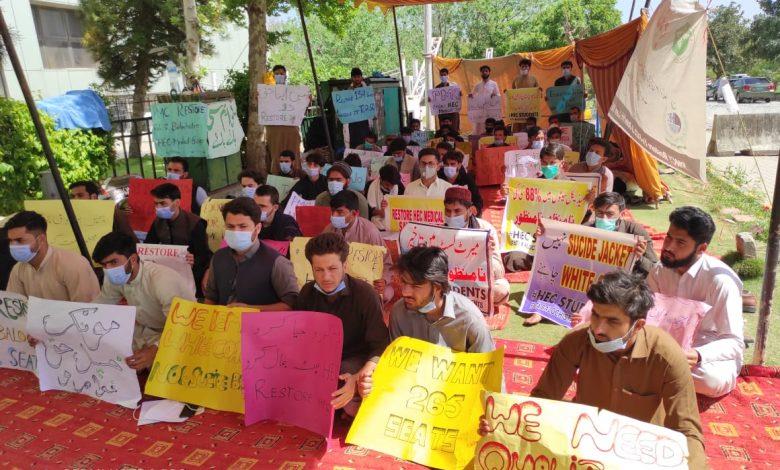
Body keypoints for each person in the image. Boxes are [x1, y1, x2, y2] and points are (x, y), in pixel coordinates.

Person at [479, 271, 706, 469]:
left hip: (641, 455)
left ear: (637, 326)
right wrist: (503, 426)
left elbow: (688, 432)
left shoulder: (667, 356)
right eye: (596, 315)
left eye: (612, 321)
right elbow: (542, 402)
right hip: (583, 447)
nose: (598, 328)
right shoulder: (577, 341)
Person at [647, 206, 744, 398]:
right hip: (666, 342)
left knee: (711, 380)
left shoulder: (720, 281)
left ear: (701, 248)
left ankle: (656, 374)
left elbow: (734, 342)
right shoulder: (659, 271)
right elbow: (647, 313)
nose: (668, 247)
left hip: (704, 348)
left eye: (680, 242)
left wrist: (697, 355)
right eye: (668, 237)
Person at [295, 232, 389, 415]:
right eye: (319, 270)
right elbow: (299, 339)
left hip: (354, 363)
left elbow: (380, 346)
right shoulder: (307, 293)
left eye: (332, 268)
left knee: (352, 407)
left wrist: (359, 376)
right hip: (319, 363)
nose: (326, 277)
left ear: (345, 265)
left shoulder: (365, 294)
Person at [92, 232, 195, 370]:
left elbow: (183, 327)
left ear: (133, 259)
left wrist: (155, 350)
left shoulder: (161, 280)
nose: (108, 269)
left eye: (113, 262)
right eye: (104, 265)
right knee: (107, 349)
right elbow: (100, 307)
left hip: (183, 333)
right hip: (146, 331)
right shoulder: (114, 278)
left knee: (167, 368)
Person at [203, 197, 298, 309]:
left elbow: (291, 304)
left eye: (243, 227)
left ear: (257, 229)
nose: (236, 232)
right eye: (230, 226)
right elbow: (211, 297)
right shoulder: (218, 257)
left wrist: (252, 310)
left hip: (260, 325)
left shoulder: (277, 263)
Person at [5, 211, 99, 302]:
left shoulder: (73, 265)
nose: (13, 246)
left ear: (41, 239)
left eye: (19, 240)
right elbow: (14, 309)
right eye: (11, 241)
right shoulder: (18, 269)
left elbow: (87, 311)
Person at [443, 187, 508, 306]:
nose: (452, 216)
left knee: (501, 291)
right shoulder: (439, 231)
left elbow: (499, 272)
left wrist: (486, 255)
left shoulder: (485, 229)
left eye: (457, 211)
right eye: (448, 211)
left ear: (470, 210)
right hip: (451, 283)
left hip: (478, 284)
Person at [144, 183, 211, 298]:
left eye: (163, 203)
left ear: (177, 203)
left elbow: (204, 255)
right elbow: (148, 246)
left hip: (193, 278)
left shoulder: (195, 223)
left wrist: (193, 259)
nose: (158, 207)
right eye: (156, 204)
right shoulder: (158, 222)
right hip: (167, 276)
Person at [324, 191, 392, 300]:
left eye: (340, 212)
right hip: (338, 278)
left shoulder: (370, 231)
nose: (334, 216)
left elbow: (387, 262)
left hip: (363, 281)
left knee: (386, 293)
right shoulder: (329, 230)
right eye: (332, 211)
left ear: (355, 213)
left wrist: (383, 280)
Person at [585, 192, 657, 277]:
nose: (604, 218)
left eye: (610, 214)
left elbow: (655, 270)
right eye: (600, 213)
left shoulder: (636, 232)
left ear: (621, 214)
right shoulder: (586, 230)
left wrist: (639, 258)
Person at [69, 180, 138, 243]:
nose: (75, 199)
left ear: (94, 197)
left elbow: (131, 240)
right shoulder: (69, 216)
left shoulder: (112, 212)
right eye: (72, 196)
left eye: (80, 195)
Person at [265, 65, 302, 174]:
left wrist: (306, 100)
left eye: (282, 73)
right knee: (276, 154)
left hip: (291, 130)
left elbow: (300, 109)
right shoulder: (267, 93)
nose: (279, 76)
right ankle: (276, 177)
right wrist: (259, 99)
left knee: (294, 153)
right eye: (277, 74)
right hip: (274, 131)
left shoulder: (294, 93)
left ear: (286, 76)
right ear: (273, 76)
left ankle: (296, 175)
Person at [367, 164, 404, 231]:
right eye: (387, 185)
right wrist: (380, 212)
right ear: (381, 179)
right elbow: (367, 210)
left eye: (392, 186)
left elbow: (402, 207)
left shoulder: (400, 187)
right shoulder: (369, 186)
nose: (390, 188)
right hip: (375, 226)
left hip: (394, 225)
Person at [345, 67, 372, 148]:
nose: (356, 79)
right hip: (353, 122)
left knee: (365, 141)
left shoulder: (367, 90)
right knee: (354, 142)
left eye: (358, 76)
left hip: (364, 121)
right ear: (351, 78)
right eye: (354, 77)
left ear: (361, 77)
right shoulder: (348, 91)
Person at [469, 66, 500, 135]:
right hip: (480, 110)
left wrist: (494, 94)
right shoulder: (477, 85)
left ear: (489, 72)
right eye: (483, 71)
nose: (484, 72)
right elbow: (473, 96)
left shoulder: (494, 84)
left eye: (486, 71)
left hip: (490, 110)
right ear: (481, 73)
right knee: (479, 127)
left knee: (490, 125)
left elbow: (498, 95)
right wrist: (471, 96)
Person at [434, 68, 461, 133]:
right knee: (444, 130)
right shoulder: (437, 88)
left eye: (444, 75)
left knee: (454, 130)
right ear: (440, 76)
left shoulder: (454, 85)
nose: (443, 76)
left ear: (448, 75)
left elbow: (458, 96)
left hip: (453, 113)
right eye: (441, 75)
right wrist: (431, 99)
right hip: (443, 113)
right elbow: (435, 100)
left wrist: (460, 93)